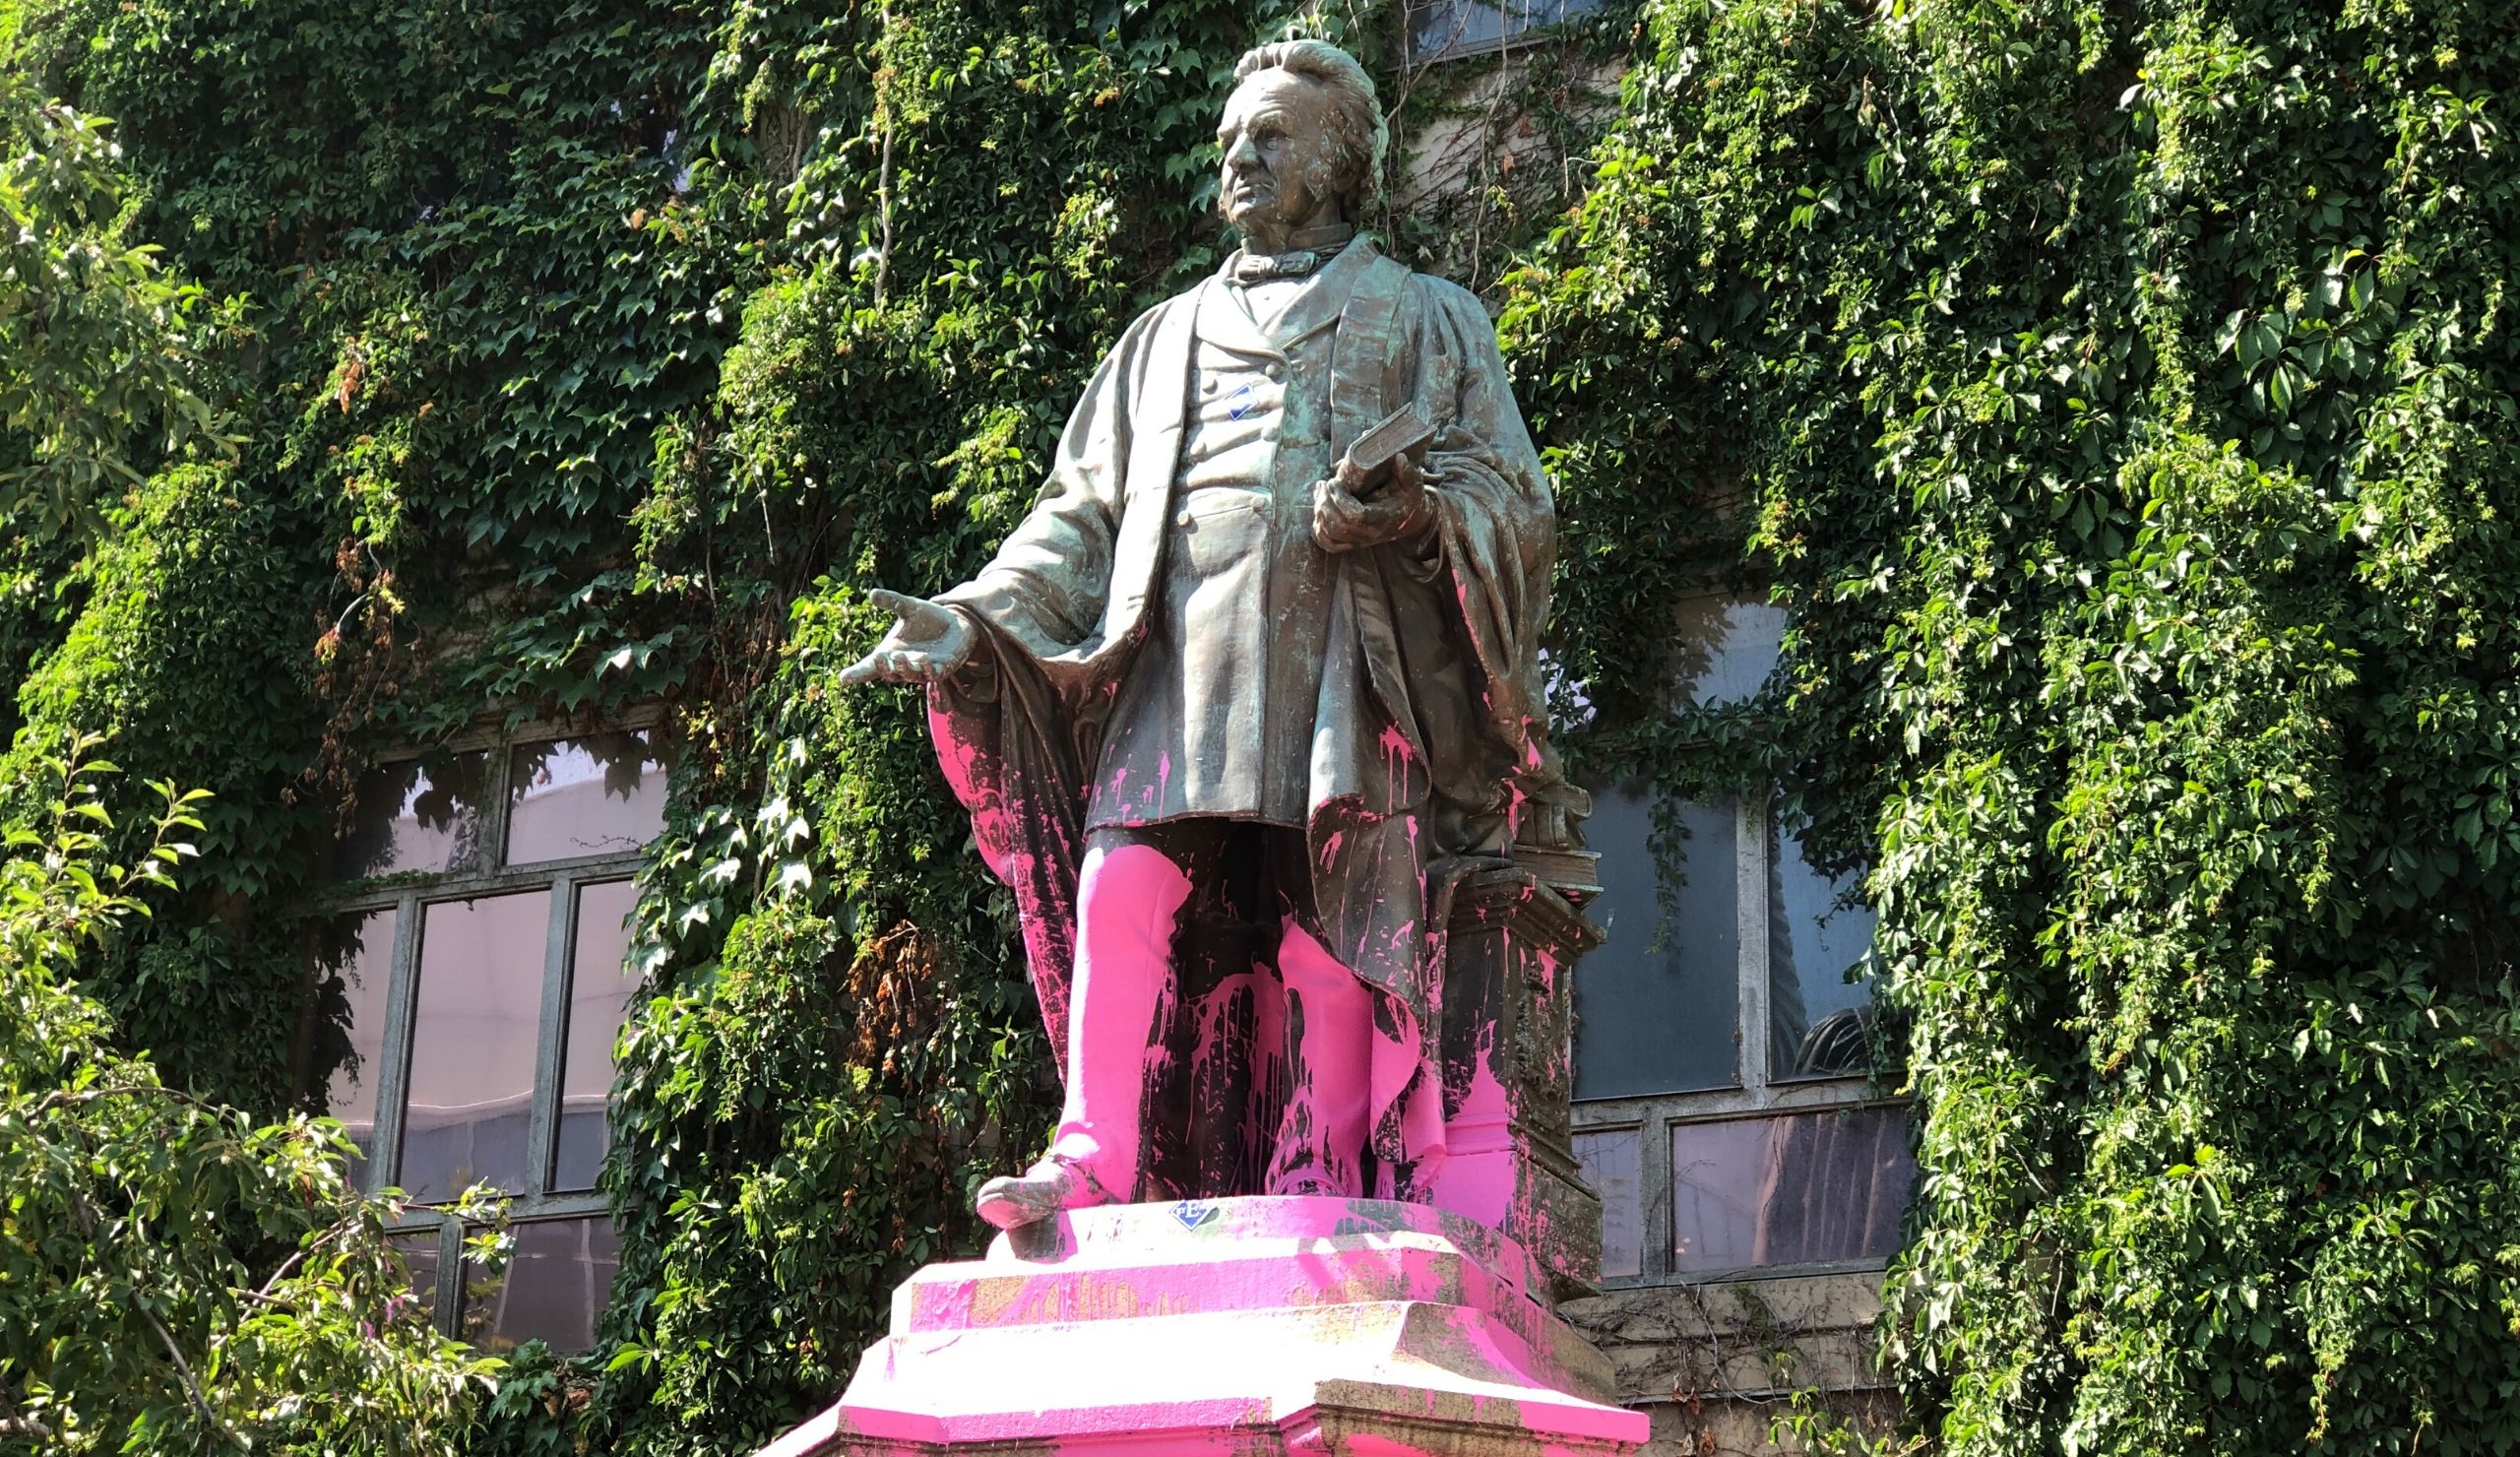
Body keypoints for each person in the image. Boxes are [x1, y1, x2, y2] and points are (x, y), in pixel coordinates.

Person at [840, 38, 1576, 1230]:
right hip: (1176, 666)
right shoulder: (1160, 338)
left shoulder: (1427, 318)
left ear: (1339, 166)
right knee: (1118, 878)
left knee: (1333, 907)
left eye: (1271, 136)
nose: (1238, 154)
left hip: (1348, 662)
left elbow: (1517, 500)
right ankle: (1089, 1155)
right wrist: (970, 623)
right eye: (1231, 137)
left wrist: (1422, 510)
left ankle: (1319, 1173)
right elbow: (1076, 519)